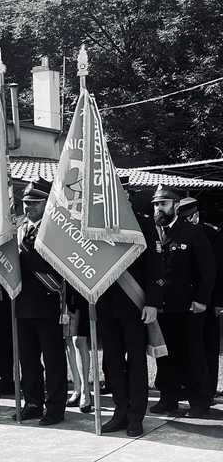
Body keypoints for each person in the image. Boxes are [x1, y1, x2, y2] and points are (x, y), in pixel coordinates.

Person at [97, 176, 158, 437]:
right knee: (112, 361)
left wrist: (153, 302)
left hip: (134, 304)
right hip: (105, 304)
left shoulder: (142, 223)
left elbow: (155, 265)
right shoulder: (96, 225)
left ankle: (136, 416)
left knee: (135, 361)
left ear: (126, 194)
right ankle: (120, 412)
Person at [148, 185, 215, 418]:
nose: (159, 208)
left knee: (192, 354)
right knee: (165, 355)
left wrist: (201, 300)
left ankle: (199, 401)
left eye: (163, 204)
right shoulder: (152, 232)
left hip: (188, 306)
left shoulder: (192, 232)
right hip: (163, 306)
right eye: (156, 204)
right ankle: (168, 399)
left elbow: (208, 270)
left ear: (176, 206)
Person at [12, 178, 67, 426]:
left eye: (34, 202)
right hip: (23, 304)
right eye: (25, 202)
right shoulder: (18, 228)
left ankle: (55, 408)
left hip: (48, 302)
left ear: (46, 202)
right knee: (28, 359)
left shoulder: (55, 228)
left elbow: (58, 266)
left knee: (53, 360)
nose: (28, 207)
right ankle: (33, 402)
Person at [177, 197, 223, 405]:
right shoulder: (179, 233)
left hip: (210, 300)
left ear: (195, 214)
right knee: (191, 347)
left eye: (189, 216)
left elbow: (219, 271)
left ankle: (208, 391)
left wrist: (219, 302)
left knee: (209, 348)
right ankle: (190, 387)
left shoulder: (213, 234)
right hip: (188, 300)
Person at [64, 287, 92, 414]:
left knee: (79, 340)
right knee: (69, 339)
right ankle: (77, 389)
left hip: (82, 288)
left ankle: (86, 390)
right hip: (64, 289)